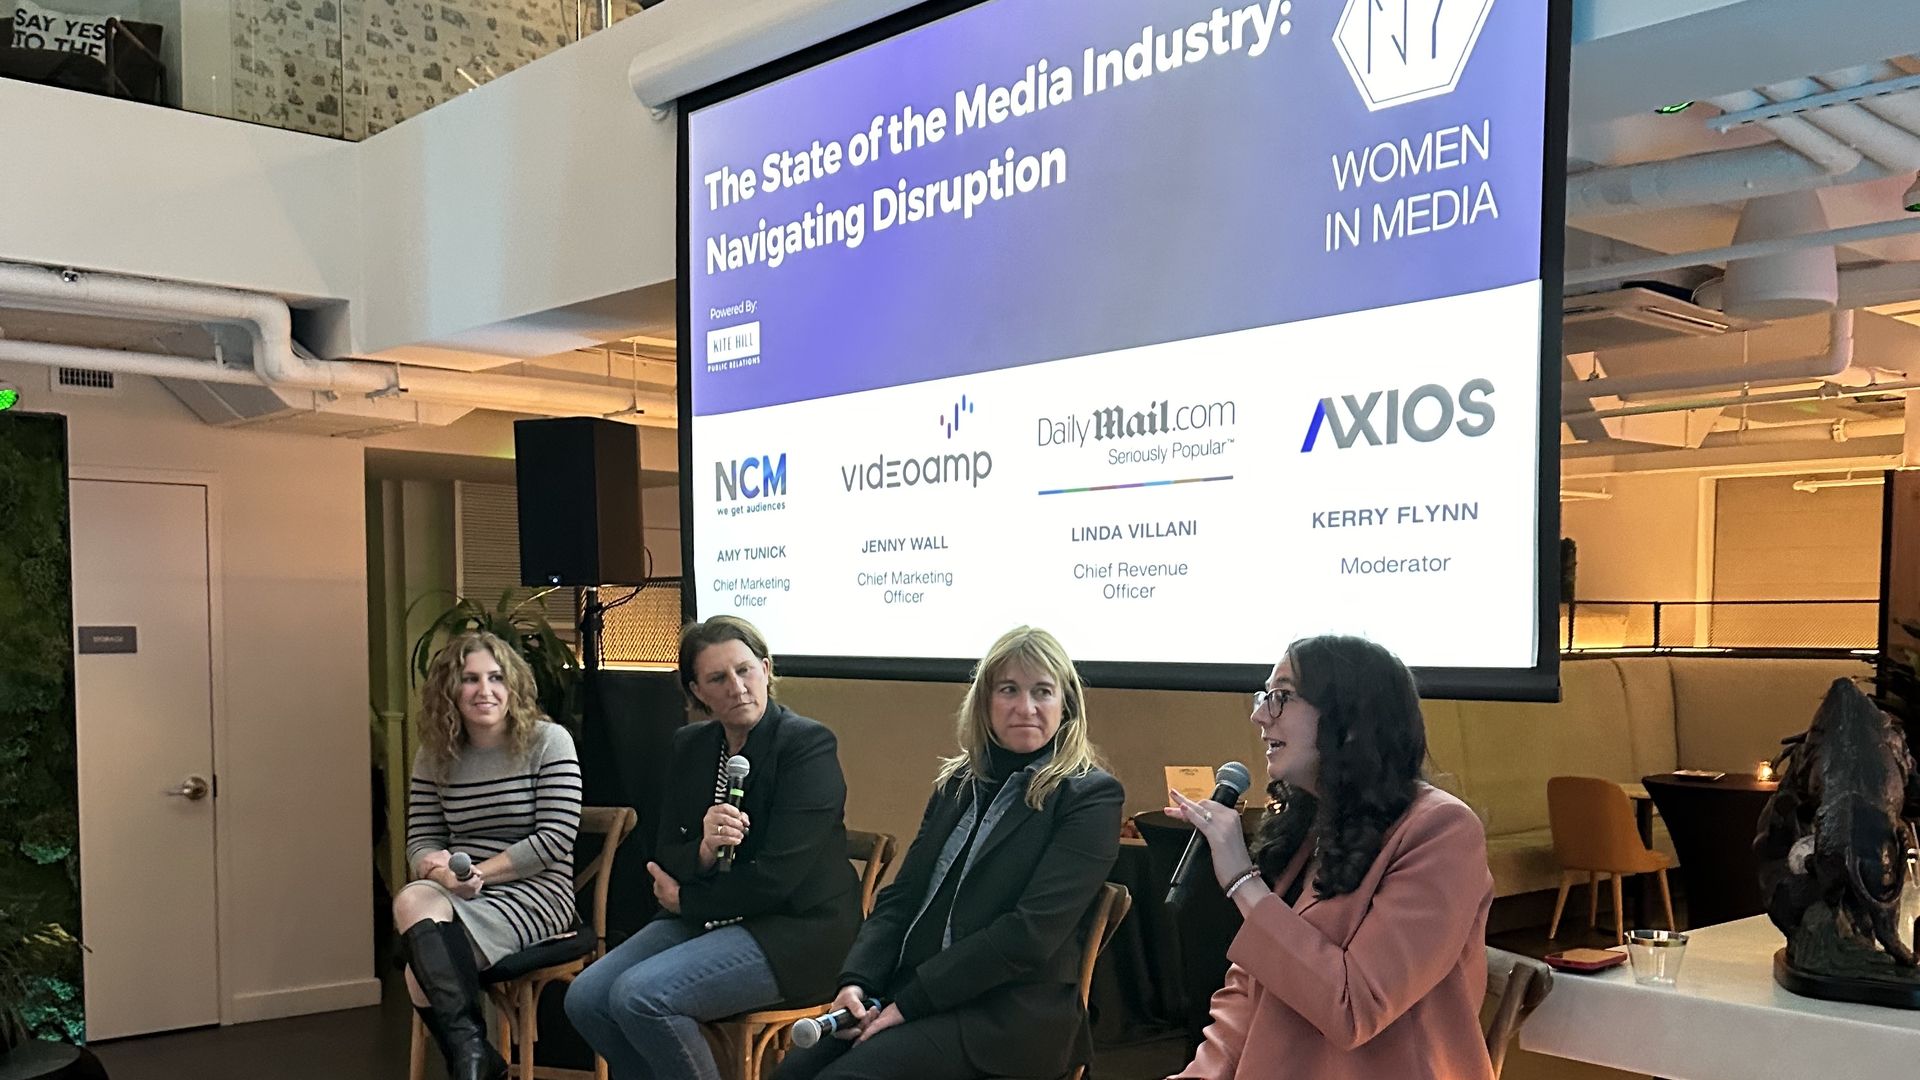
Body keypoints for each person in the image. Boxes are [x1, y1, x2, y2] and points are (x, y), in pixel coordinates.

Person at [777, 626, 1125, 1080]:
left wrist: (912, 1002)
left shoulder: (1090, 796)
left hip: (1008, 1016)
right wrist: (856, 982)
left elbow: (1030, 934)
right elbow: (900, 899)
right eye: (1009, 690)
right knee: (791, 1074)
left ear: (1066, 705)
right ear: (985, 702)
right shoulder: (958, 784)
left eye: (1043, 691)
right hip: (916, 993)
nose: (1026, 707)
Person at [1165, 635, 1495, 1080]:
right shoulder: (1311, 826)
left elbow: (1354, 1007)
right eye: (1264, 696)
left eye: (1281, 697)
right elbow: (1246, 997)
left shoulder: (1442, 831)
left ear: (1350, 715)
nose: (1259, 715)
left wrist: (1243, 881)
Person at [565, 615, 861, 1080]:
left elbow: (778, 879)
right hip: (710, 915)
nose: (737, 687)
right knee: (586, 998)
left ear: (766, 670)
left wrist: (686, 898)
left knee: (641, 997)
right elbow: (663, 847)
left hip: (795, 930)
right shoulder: (692, 745)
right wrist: (702, 851)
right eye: (718, 678)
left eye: (745, 670)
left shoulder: (807, 745)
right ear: (697, 691)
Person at [397, 631, 583, 1080]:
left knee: (418, 974)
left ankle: (477, 1063)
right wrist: (440, 873)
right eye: (470, 679)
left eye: (496, 677)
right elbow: (420, 840)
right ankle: (476, 1061)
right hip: (462, 890)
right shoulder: (434, 754)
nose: (485, 690)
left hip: (536, 891)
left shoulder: (548, 741)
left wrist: (480, 872)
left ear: (512, 685)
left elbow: (557, 837)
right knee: (411, 899)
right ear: (450, 690)